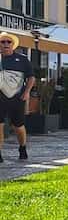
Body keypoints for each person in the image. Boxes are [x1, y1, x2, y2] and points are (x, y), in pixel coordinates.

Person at [0, 32, 35, 161]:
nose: (6, 44)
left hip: (17, 98)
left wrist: (27, 92)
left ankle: (22, 147)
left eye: (8, 42)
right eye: (3, 42)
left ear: (13, 44)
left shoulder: (22, 59)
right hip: (0, 98)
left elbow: (31, 77)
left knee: (18, 126)